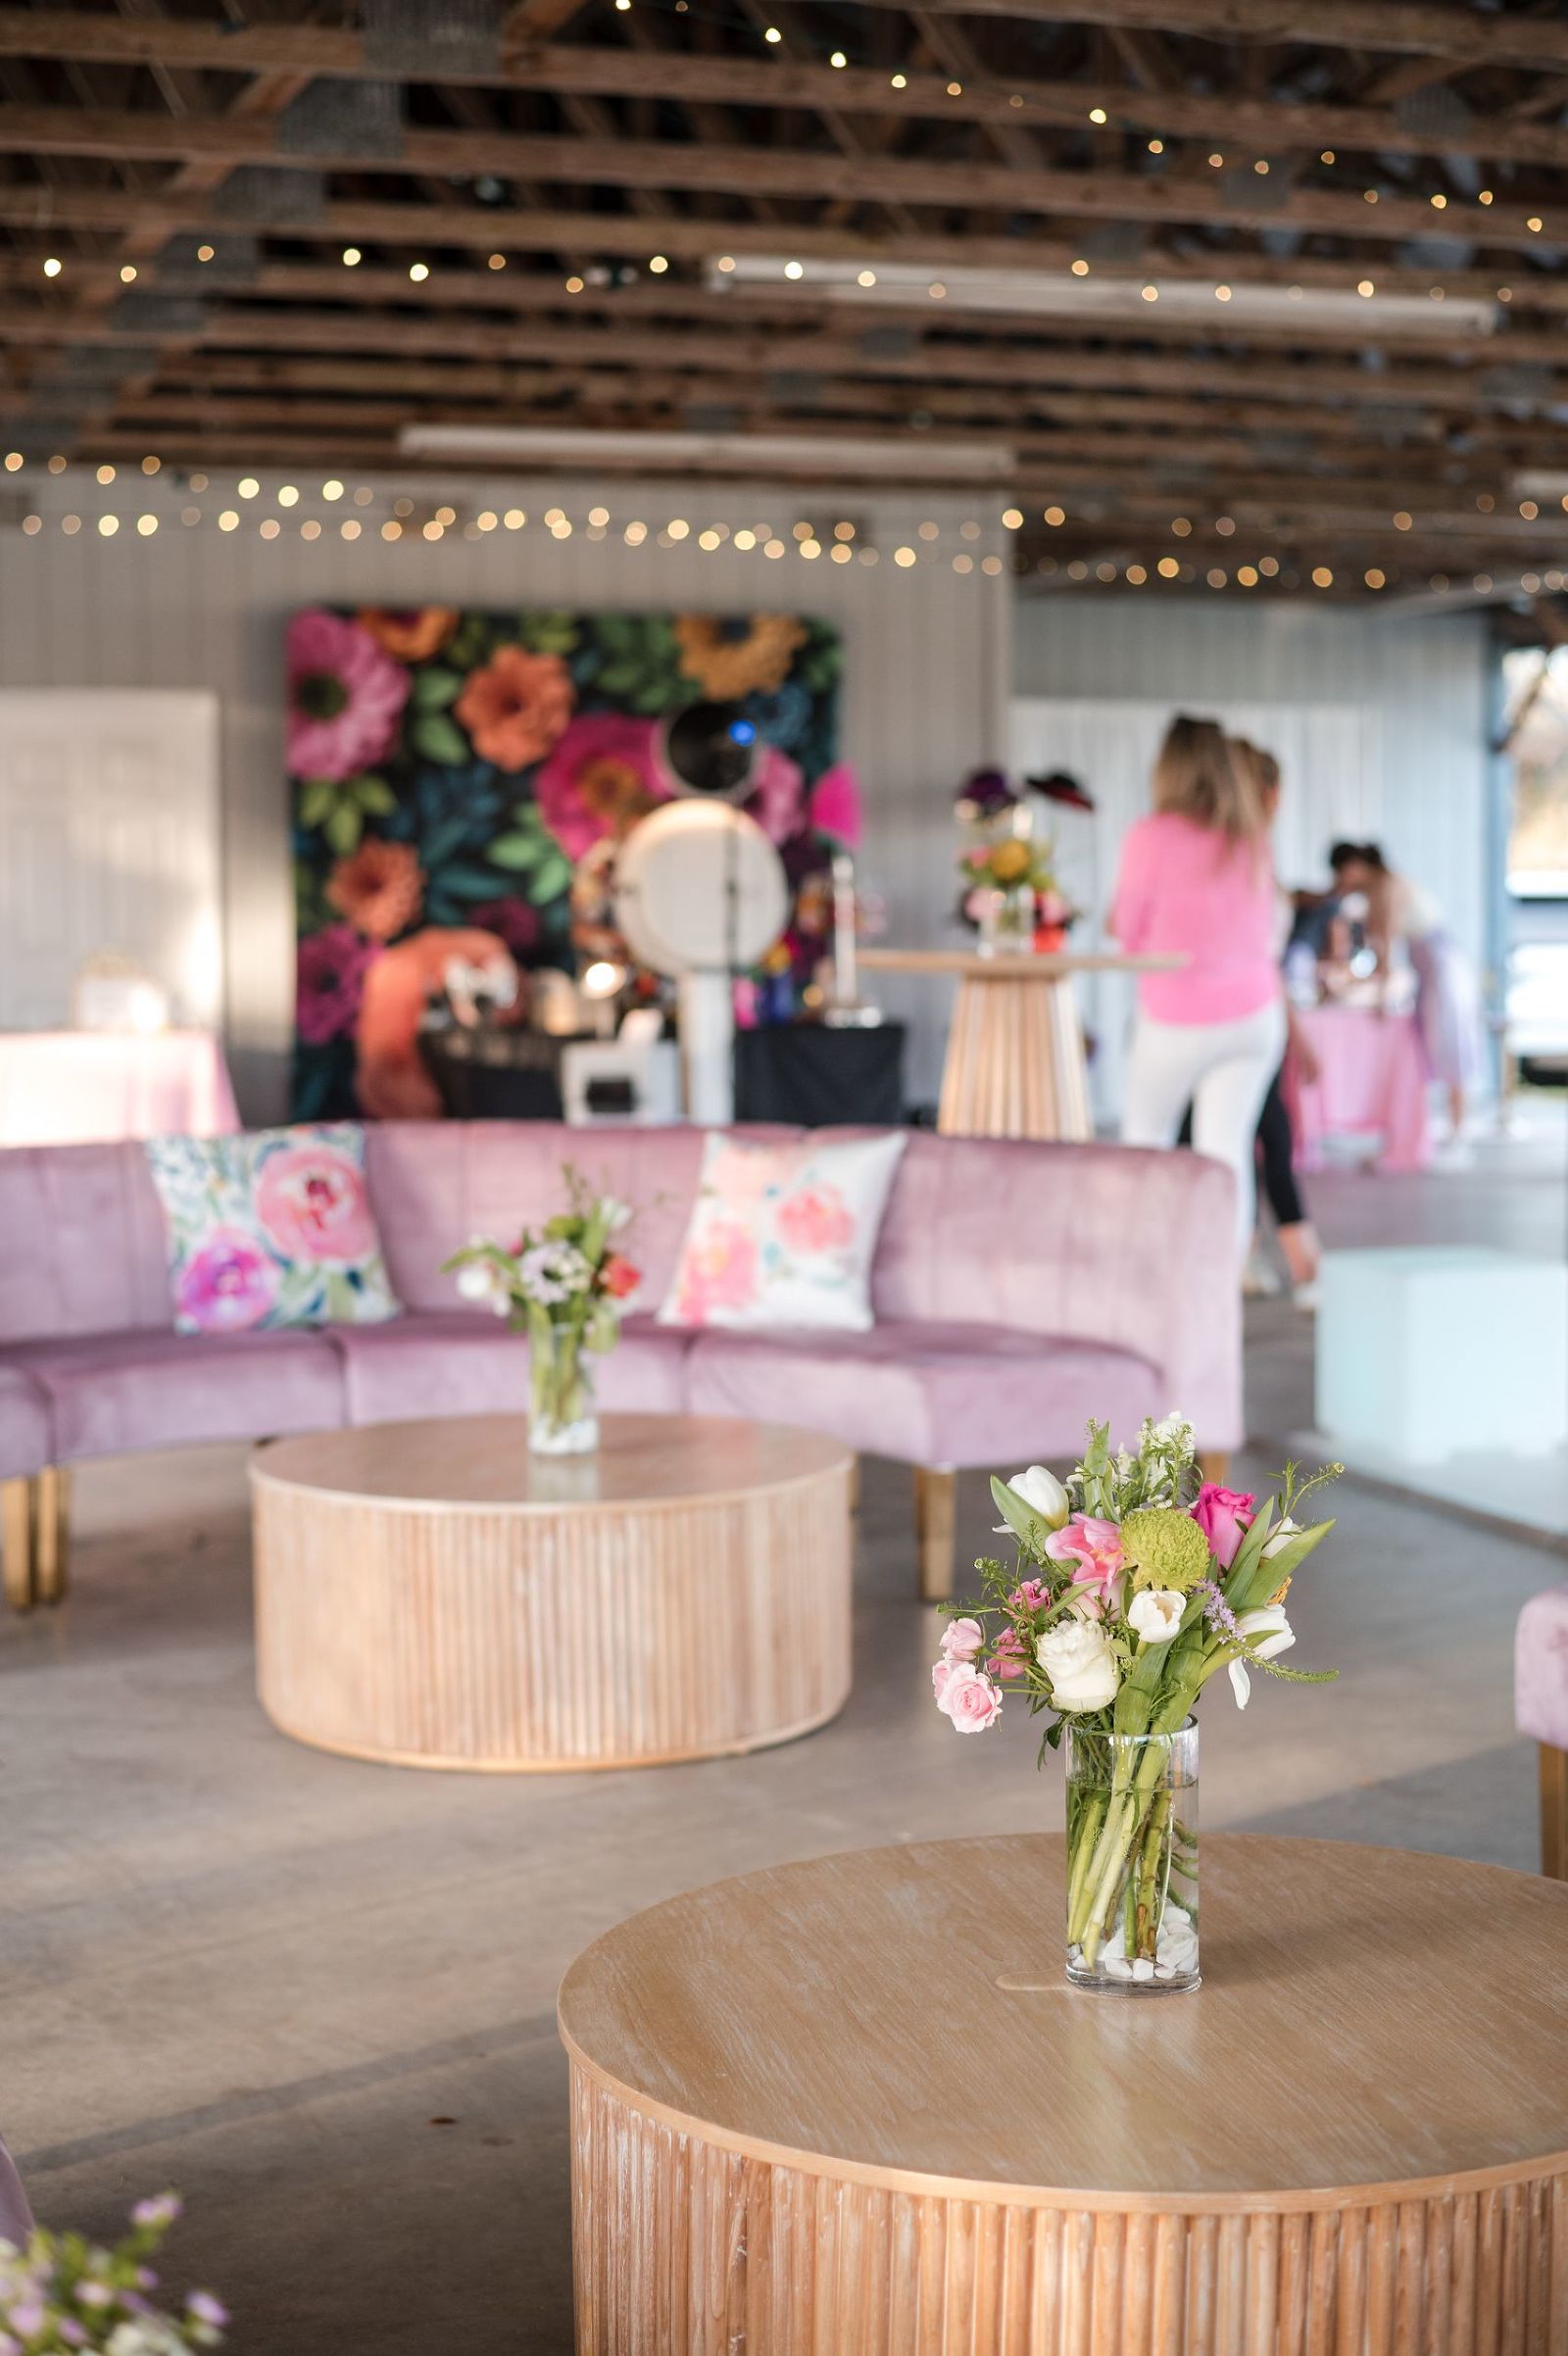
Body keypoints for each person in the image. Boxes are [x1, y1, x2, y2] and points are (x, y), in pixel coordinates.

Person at [1111, 714, 1287, 1261]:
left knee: (1146, 1144)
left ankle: (1145, 1274)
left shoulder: (1151, 836)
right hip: (1255, 1017)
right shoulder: (1251, 838)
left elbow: (1128, 934)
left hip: (1177, 1020)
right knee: (1227, 1154)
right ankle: (1220, 1286)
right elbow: (1266, 930)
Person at [1328, 841, 1483, 1146]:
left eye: (1342, 872)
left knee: (1449, 1042)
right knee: (1433, 1043)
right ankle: (1442, 1129)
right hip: (1428, 969)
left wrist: (1382, 996)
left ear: (1355, 866)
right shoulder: (1375, 892)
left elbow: (1385, 947)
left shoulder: (1389, 887)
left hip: (1442, 967)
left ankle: (1458, 1130)